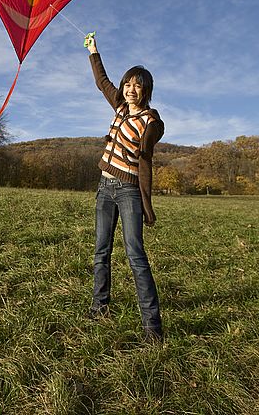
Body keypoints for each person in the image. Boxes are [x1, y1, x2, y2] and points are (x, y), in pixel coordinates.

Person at [85, 35, 164, 342]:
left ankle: (152, 326)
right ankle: (99, 307)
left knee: (135, 254)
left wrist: (147, 204)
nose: (131, 90)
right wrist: (93, 51)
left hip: (129, 191)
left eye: (137, 85)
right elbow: (101, 81)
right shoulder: (119, 106)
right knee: (100, 251)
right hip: (105, 188)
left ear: (146, 91)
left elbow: (147, 156)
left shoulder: (149, 121)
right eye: (128, 84)